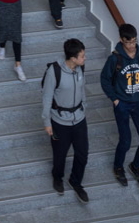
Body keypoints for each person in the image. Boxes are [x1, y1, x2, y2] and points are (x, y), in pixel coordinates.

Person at [100, 23, 139, 188]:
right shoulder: (115, 58)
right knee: (125, 141)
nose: (132, 46)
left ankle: (135, 166)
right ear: (121, 40)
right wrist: (115, 100)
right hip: (122, 104)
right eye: (128, 42)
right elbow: (104, 80)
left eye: (134, 41)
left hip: (138, 104)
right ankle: (118, 167)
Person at [42, 37, 89, 203]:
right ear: (72, 58)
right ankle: (57, 177)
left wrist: (83, 105)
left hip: (79, 119)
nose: (84, 59)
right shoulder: (54, 72)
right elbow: (47, 98)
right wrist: (47, 122)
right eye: (82, 56)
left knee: (82, 155)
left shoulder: (79, 68)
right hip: (60, 122)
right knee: (60, 155)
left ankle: (75, 181)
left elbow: (82, 89)